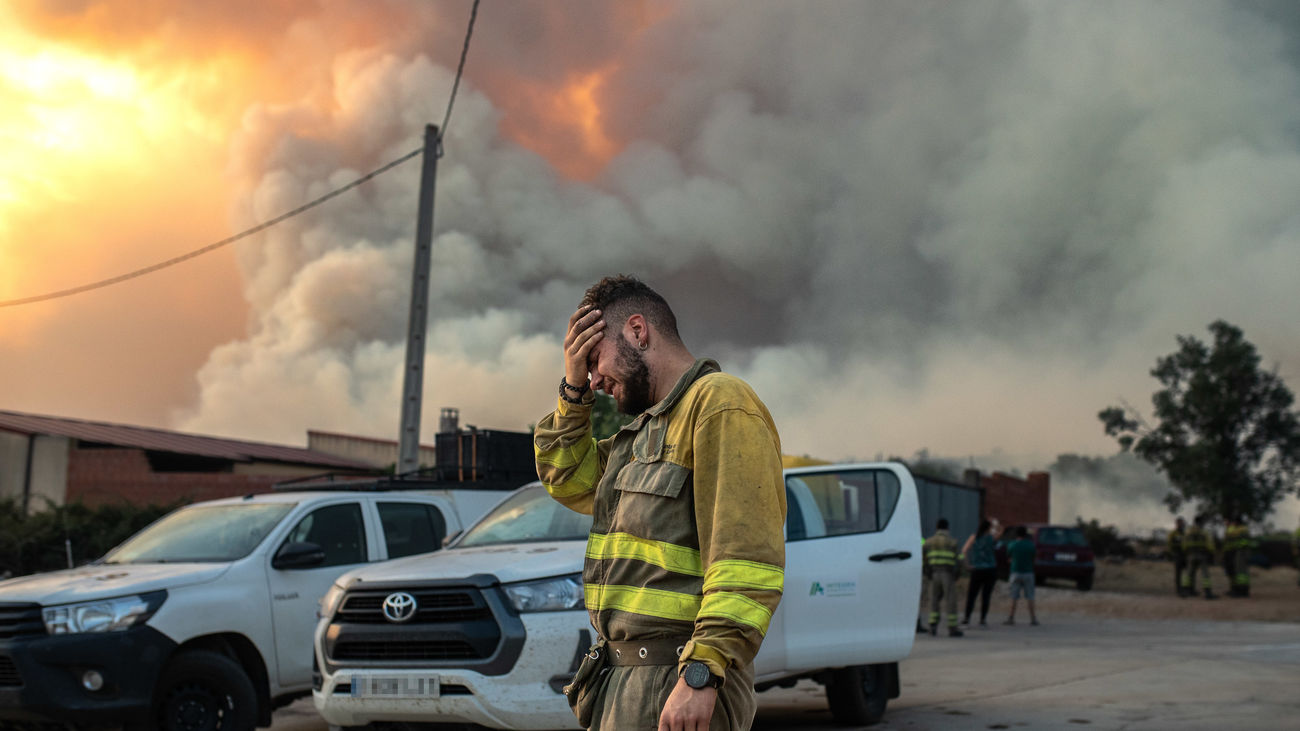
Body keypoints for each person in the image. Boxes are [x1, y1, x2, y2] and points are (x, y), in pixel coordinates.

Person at [534, 275, 786, 731]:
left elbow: (745, 563)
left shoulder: (720, 404)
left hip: (677, 683)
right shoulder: (641, 434)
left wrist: (702, 673)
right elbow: (566, 478)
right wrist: (573, 391)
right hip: (622, 684)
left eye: (594, 359)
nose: (595, 378)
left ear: (637, 331)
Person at [922, 518, 963, 637]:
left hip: (934, 574)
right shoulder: (952, 542)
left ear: (936, 528)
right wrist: (958, 573)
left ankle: (932, 626)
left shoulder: (928, 542)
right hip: (947, 574)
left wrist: (927, 571)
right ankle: (952, 628)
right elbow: (959, 559)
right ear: (947, 528)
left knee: (933, 600)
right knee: (950, 601)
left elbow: (923, 558)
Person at [962, 518, 1000, 626]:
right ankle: (983, 619)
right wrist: (995, 524)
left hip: (977, 570)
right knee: (986, 596)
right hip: (990, 570)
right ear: (989, 528)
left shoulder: (973, 537)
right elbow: (1001, 531)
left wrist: (967, 565)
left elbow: (964, 550)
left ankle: (967, 618)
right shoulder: (991, 538)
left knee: (972, 595)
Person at [1003, 526, 1039, 626]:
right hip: (1028, 572)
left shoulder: (1012, 545)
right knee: (1030, 596)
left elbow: (1009, 558)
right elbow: (1034, 559)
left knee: (1014, 596)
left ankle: (1011, 617)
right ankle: (1033, 619)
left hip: (1015, 572)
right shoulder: (1031, 545)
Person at [1181, 515, 1218, 600]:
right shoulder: (1203, 532)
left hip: (1190, 555)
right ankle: (1208, 593)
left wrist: (1185, 553)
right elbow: (1210, 544)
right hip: (1202, 555)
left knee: (1189, 573)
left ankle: (1185, 591)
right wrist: (1211, 552)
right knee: (1205, 574)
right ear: (1201, 522)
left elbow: (1184, 543)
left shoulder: (1188, 531)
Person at [1226, 518, 1252, 598]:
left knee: (1240, 572)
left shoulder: (1240, 530)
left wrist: (1229, 527)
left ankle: (1241, 591)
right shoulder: (1244, 529)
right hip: (1244, 551)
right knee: (1243, 572)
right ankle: (1244, 590)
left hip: (1241, 552)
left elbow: (1230, 536)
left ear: (1236, 522)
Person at [1167, 517, 1187, 598]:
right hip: (1177, 555)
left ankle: (1186, 588)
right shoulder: (1173, 533)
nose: (1182, 524)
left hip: (1185, 555)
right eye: (1180, 523)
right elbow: (1169, 544)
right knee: (1178, 573)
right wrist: (1173, 553)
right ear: (1177, 524)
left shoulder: (1185, 533)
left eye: (1182, 523)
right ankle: (1179, 590)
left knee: (1185, 574)